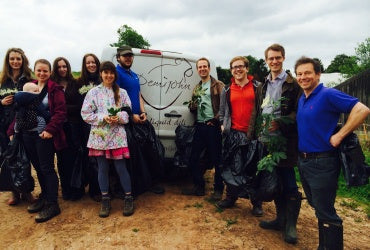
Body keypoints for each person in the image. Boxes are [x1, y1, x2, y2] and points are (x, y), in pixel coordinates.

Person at [294, 56, 369, 249]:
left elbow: (362, 110)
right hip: (305, 161)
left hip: (323, 161)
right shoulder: (303, 97)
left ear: (318, 74)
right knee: (318, 205)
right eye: (299, 74)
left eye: (308, 73)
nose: (303, 77)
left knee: (325, 210)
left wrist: (340, 135)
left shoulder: (328, 94)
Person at [8, 59, 67, 223]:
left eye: (45, 71)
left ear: (50, 72)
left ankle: (53, 203)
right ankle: (45, 196)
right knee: (38, 168)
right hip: (27, 135)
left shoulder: (55, 89)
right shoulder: (28, 87)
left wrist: (50, 130)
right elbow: (19, 111)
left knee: (47, 168)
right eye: (39, 70)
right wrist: (12, 130)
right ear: (34, 71)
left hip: (44, 136)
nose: (42, 74)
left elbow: (60, 113)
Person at [257, 44, 302, 244]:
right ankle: (280, 219)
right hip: (266, 140)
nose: (274, 61)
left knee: (289, 181)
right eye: (270, 58)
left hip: (285, 140)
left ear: (283, 58)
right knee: (275, 179)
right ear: (266, 61)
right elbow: (259, 111)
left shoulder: (293, 84)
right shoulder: (263, 84)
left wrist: (282, 122)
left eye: (277, 58)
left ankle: (291, 226)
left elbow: (298, 111)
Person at [81, 61, 134, 217]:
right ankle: (105, 199)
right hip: (100, 136)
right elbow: (85, 114)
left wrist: (118, 118)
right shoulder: (93, 93)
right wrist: (104, 117)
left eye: (111, 73)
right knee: (102, 168)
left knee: (120, 167)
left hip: (117, 135)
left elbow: (127, 112)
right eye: (106, 72)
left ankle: (128, 197)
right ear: (101, 74)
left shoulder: (122, 93)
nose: (109, 75)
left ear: (114, 75)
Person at [216, 56, 263, 217]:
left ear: (247, 68)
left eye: (241, 66)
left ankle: (256, 202)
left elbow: (263, 109)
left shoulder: (257, 87)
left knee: (253, 168)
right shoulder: (227, 90)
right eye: (234, 67)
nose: (238, 69)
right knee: (232, 168)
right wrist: (223, 124)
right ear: (231, 70)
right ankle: (231, 197)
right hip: (233, 134)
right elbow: (222, 111)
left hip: (252, 135)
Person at [116, 45, 165, 195]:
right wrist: (131, 116)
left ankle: (148, 184)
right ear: (118, 58)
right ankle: (132, 189)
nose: (128, 58)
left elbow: (138, 95)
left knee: (151, 152)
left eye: (130, 55)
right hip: (126, 121)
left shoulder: (134, 75)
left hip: (139, 119)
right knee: (133, 158)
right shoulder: (116, 74)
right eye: (125, 56)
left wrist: (143, 112)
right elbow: (116, 98)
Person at [181, 57, 224, 199]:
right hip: (200, 126)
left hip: (213, 127)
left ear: (209, 68)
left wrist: (216, 120)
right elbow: (193, 107)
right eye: (200, 67)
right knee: (194, 158)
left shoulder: (218, 85)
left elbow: (224, 107)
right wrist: (192, 106)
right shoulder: (197, 87)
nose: (202, 69)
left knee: (216, 159)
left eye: (204, 66)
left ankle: (218, 190)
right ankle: (199, 187)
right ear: (197, 70)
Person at [0, 48, 35, 205]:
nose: (15, 62)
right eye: (12, 59)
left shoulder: (28, 79)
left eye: (18, 59)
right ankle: (14, 193)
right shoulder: (2, 81)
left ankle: (27, 192)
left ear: (23, 60)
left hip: (23, 124)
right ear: (8, 60)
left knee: (25, 159)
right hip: (4, 124)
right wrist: (0, 102)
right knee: (10, 159)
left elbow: (35, 99)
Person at [51, 57, 85, 201]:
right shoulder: (51, 84)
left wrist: (62, 109)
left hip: (73, 126)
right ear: (55, 68)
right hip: (59, 128)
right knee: (61, 160)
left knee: (75, 158)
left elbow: (80, 105)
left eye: (65, 66)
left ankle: (77, 189)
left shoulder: (74, 83)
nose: (62, 69)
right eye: (59, 67)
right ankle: (66, 190)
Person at [77, 53, 101, 201]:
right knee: (88, 157)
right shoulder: (78, 82)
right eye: (88, 63)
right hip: (84, 126)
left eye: (93, 62)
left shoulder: (102, 81)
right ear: (84, 66)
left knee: (100, 158)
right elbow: (71, 102)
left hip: (100, 125)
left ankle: (99, 188)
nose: (91, 65)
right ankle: (88, 187)